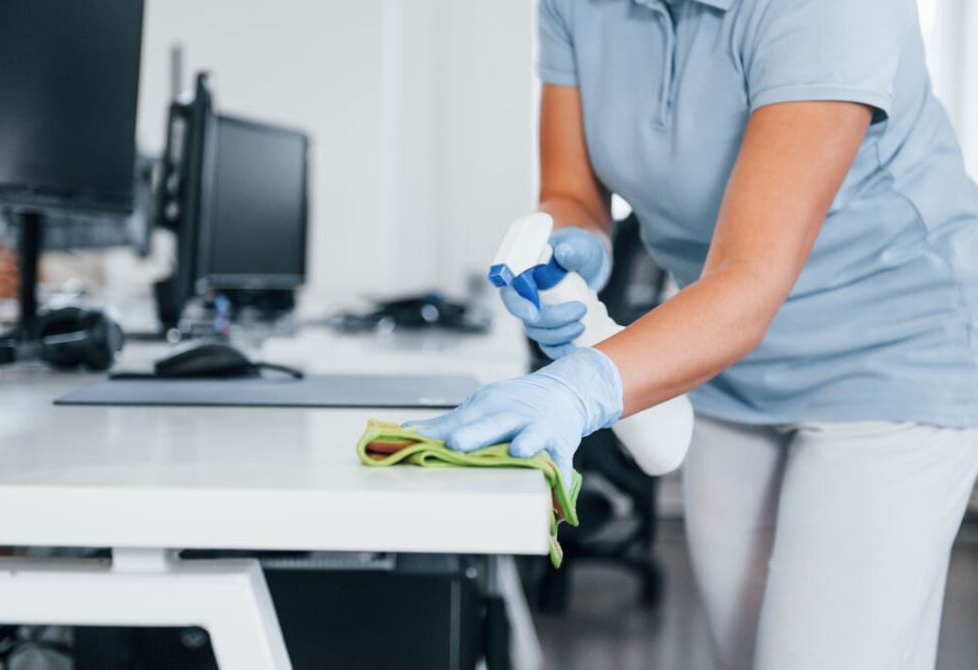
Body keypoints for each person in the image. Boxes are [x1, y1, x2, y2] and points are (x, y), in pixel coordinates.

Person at [408, 0, 978, 667]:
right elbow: (571, 186)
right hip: (722, 363)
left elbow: (750, 277)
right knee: (746, 652)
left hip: (893, 354)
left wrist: (582, 386)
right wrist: (571, 245)